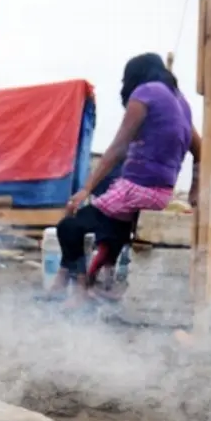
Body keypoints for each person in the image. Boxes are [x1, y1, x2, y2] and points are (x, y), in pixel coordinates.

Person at [49, 53, 200, 305]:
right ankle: (73, 281)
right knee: (112, 226)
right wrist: (195, 189)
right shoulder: (181, 101)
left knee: (69, 225)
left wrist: (85, 189)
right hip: (161, 193)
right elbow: (201, 151)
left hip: (137, 188)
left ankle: (79, 287)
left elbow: (118, 147)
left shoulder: (145, 93)